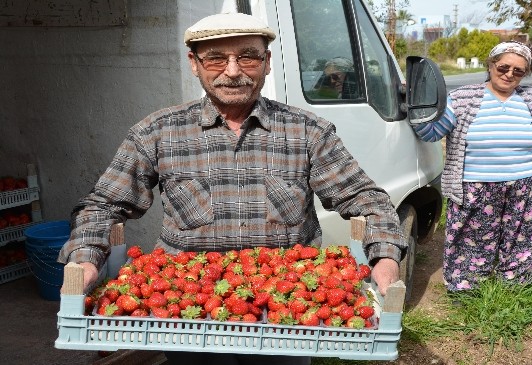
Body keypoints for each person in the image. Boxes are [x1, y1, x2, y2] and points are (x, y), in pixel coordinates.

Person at [57, 12, 405, 365]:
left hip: (284, 316)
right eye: (216, 58)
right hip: (186, 313)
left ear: (267, 63)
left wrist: (385, 259)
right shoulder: (157, 132)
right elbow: (104, 205)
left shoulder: (308, 132)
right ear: (194, 64)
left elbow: (365, 198)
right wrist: (86, 261)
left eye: (248, 56)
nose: (234, 71)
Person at [411, 41, 532, 293]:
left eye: (518, 71)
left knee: (521, 236)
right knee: (470, 238)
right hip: (475, 184)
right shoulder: (464, 98)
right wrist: (418, 110)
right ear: (491, 64)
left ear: (525, 73)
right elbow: (432, 133)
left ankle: (514, 285)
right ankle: (466, 289)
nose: (509, 74)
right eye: (504, 67)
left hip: (527, 183)